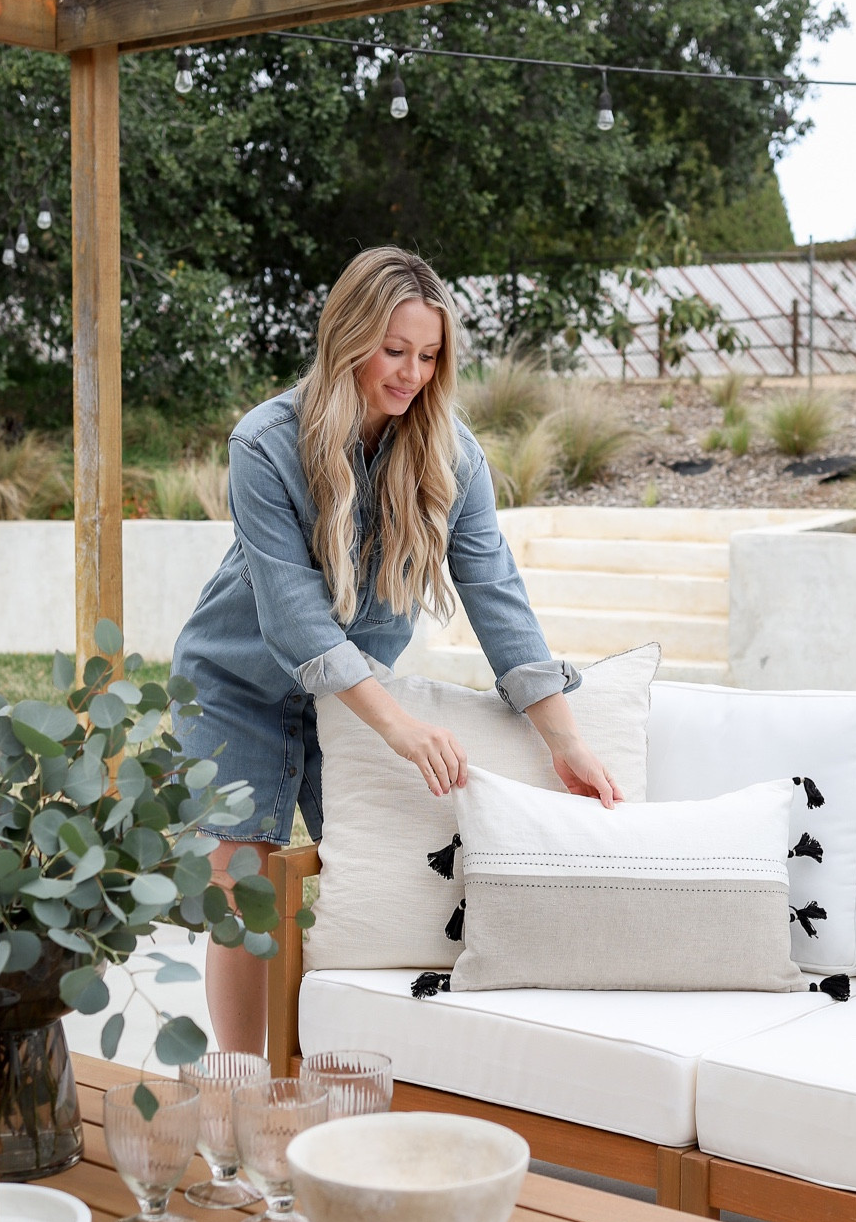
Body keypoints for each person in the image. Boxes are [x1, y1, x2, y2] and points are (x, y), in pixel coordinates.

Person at [171, 246, 622, 1053]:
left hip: (352, 700)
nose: (412, 374)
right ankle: (245, 1086)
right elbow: (296, 620)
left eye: (429, 355)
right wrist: (401, 728)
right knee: (243, 891)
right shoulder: (265, 445)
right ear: (348, 338)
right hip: (236, 687)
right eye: (394, 350)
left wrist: (566, 740)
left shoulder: (453, 456)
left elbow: (497, 597)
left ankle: (340, 1070)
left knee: (370, 885)